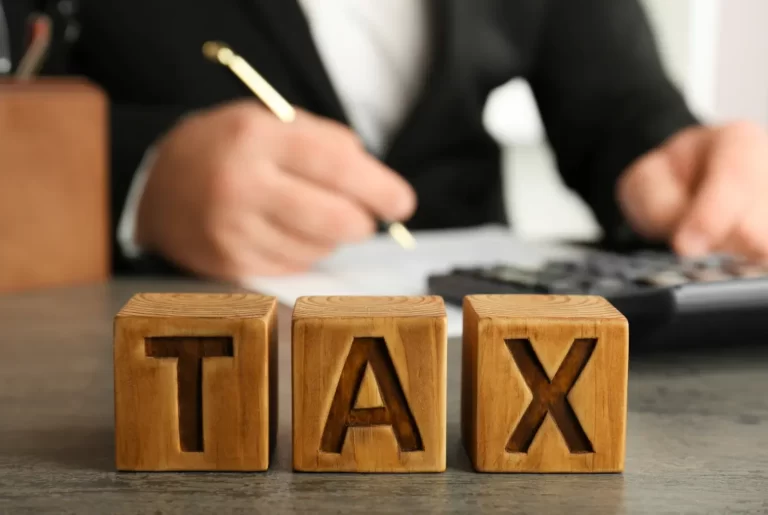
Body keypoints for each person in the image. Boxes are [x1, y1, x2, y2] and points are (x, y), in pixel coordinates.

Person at [59, 0, 768, 280]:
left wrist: (680, 160)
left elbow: (625, 108)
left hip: (481, 361)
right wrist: (139, 176)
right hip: (169, 354)